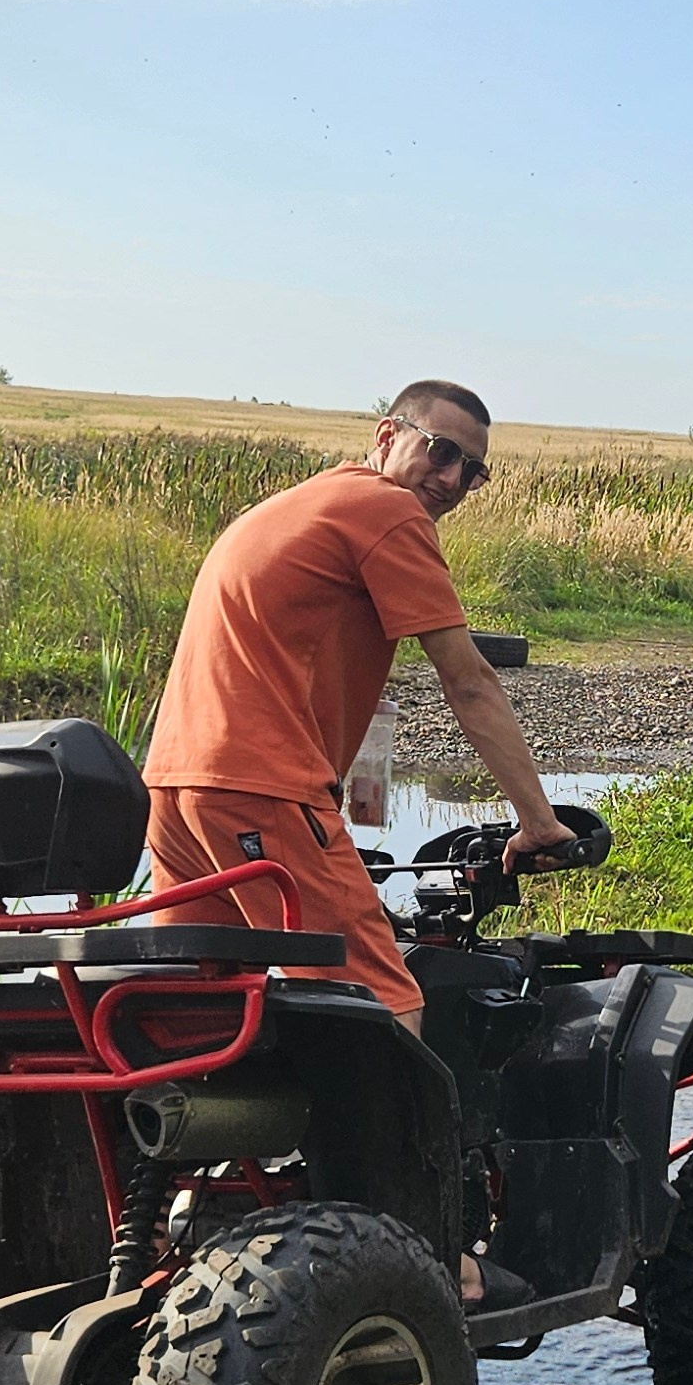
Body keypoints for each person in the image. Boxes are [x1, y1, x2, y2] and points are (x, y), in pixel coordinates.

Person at [142, 376, 571, 1031]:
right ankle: (407, 1138)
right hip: (262, 790)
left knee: (202, 1018)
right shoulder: (386, 511)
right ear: (387, 435)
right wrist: (537, 823)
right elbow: (469, 682)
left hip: (177, 795)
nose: (453, 479)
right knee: (383, 1005)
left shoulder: (304, 504)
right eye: (441, 451)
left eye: (473, 470)